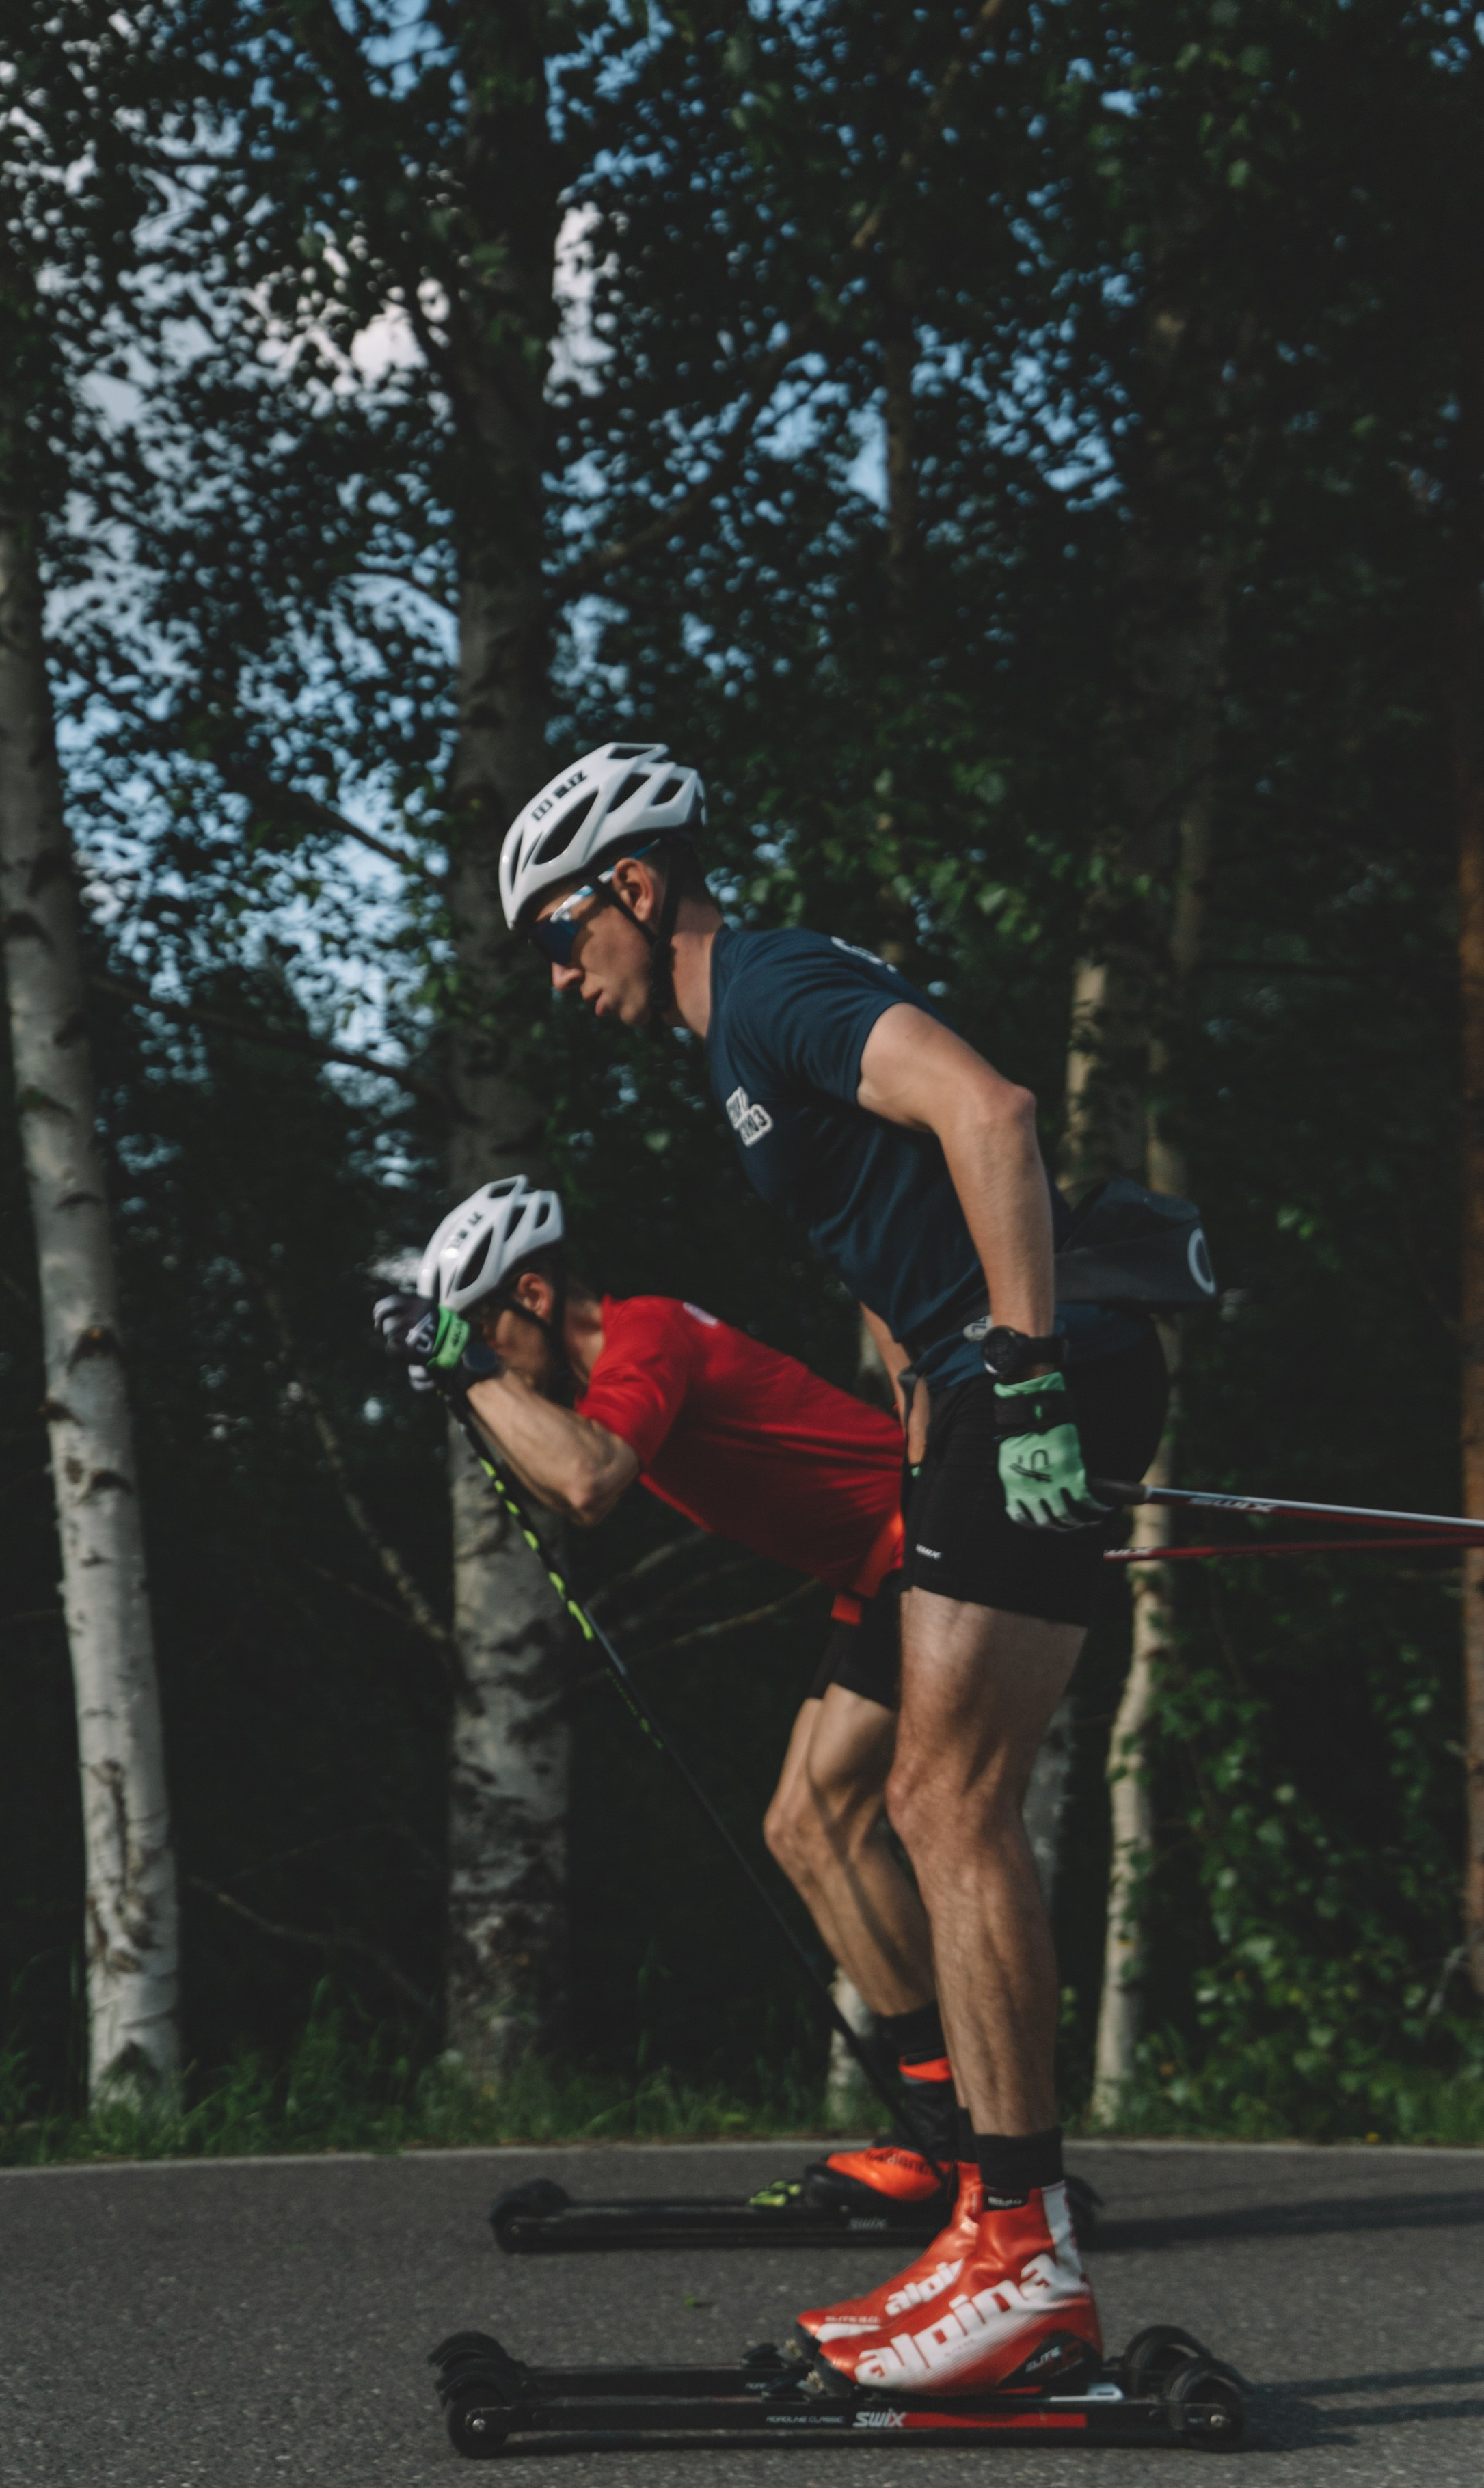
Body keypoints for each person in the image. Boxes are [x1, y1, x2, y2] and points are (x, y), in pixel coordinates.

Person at [494, 741, 1168, 2395]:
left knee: (943, 1802)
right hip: (983, 1382)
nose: (560, 978)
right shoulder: (738, 1036)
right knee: (932, 1802)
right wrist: (921, 1366)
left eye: (562, 938)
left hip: (1034, 1371)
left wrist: (1007, 1374)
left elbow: (988, 1114)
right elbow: (893, 1206)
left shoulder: (775, 985)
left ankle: (1019, 2261)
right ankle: (996, 2241)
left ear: (632, 890)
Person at [375, 1172, 958, 2210]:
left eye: (489, 1328)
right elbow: (565, 1461)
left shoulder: (645, 1334)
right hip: (881, 1566)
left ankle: (958, 2136)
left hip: (923, 1546)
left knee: (826, 1819)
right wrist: (469, 1376)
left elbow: (590, 1482)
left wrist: (466, 1373)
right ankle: (948, 2124)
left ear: (536, 1297)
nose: (496, 1358)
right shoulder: (606, 1373)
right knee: (802, 1827)